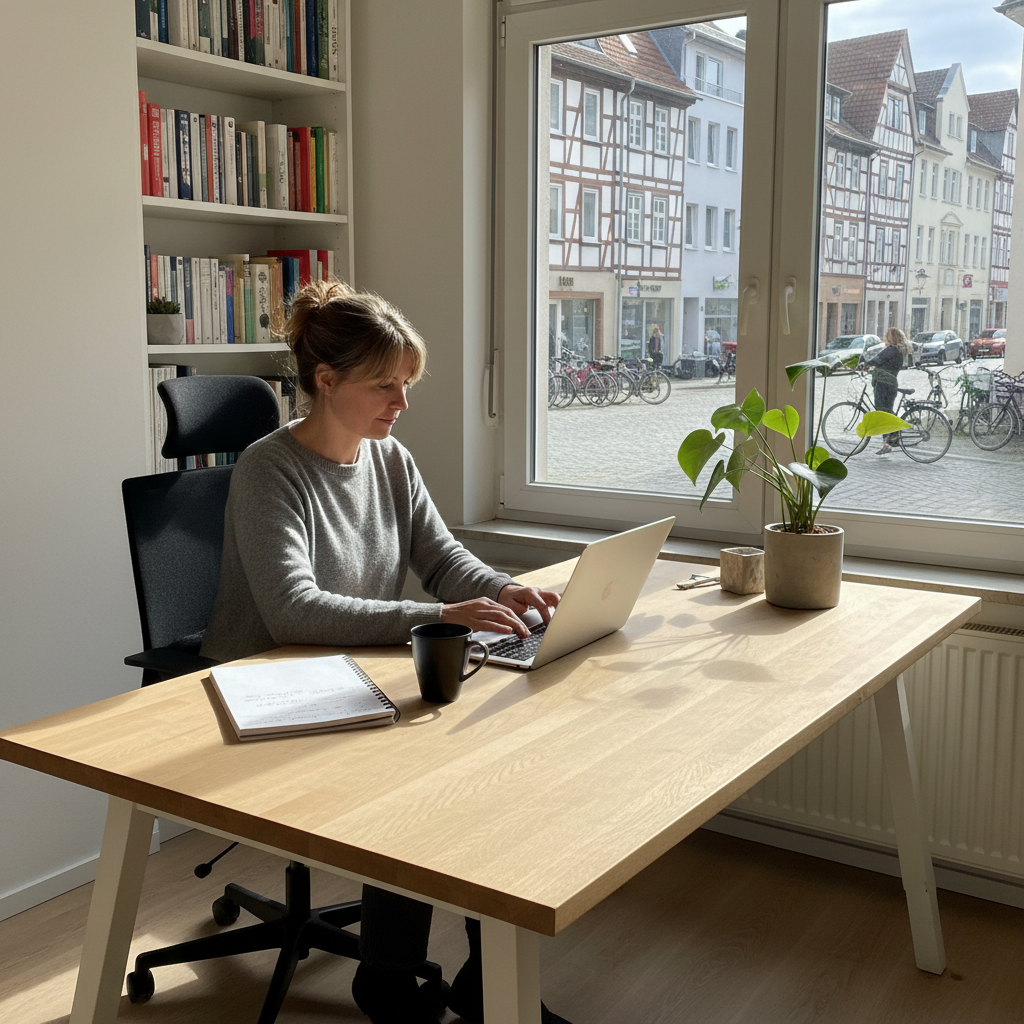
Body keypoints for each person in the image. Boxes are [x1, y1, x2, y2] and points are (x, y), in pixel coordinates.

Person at [201, 280, 569, 1024]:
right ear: (327, 382)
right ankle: (392, 979)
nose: (401, 404)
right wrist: (438, 615)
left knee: (483, 768)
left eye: (406, 385)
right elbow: (291, 609)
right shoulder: (269, 471)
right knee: (433, 788)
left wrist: (505, 590)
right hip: (269, 688)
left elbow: (442, 558)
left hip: (358, 672)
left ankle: (483, 983)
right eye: (384, 386)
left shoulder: (389, 458)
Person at [862, 327, 908, 454]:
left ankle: (893, 436)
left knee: (882, 412)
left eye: (886, 336)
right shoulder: (899, 350)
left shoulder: (892, 349)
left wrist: (865, 364)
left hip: (883, 384)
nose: (884, 339)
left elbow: (878, 359)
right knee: (885, 412)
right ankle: (887, 443)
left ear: (891, 338)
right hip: (891, 383)